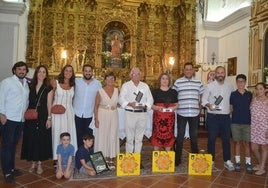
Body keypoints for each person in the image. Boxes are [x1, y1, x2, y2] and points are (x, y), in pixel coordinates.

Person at [0, 61, 29, 183]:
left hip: (20, 119)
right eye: (19, 69)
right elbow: (1, 98)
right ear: (14, 70)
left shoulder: (26, 84)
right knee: (7, 146)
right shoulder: (7, 82)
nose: (21, 71)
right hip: (9, 119)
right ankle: (6, 172)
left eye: (23, 69)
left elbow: (26, 101)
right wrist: (1, 113)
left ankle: (11, 168)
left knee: (13, 146)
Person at [21, 65, 53, 175]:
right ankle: (32, 163)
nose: (41, 74)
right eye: (39, 72)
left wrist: (49, 118)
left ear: (46, 74)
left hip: (43, 115)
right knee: (31, 138)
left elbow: (49, 104)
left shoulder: (48, 87)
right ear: (36, 73)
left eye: (44, 72)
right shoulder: (30, 86)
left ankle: (39, 164)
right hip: (31, 116)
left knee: (41, 139)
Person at [118, 67, 153, 168]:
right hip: (130, 113)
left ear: (140, 75)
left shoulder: (145, 86)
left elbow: (150, 99)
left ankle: (137, 159)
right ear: (130, 75)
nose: (136, 76)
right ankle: (129, 159)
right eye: (134, 74)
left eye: (138, 74)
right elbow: (120, 98)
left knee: (139, 138)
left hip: (142, 114)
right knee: (129, 138)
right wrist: (129, 103)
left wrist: (146, 105)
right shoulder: (126, 85)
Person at [202, 66, 235, 171]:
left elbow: (232, 99)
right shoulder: (209, 86)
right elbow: (203, 100)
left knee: (226, 140)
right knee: (211, 139)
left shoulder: (230, 86)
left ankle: (227, 161)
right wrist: (208, 105)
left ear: (225, 74)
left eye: (222, 72)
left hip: (225, 117)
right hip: (213, 116)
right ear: (215, 74)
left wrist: (231, 106)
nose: (220, 74)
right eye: (218, 72)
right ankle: (211, 160)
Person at [173, 62, 204, 166]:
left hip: (194, 113)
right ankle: (177, 160)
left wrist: (200, 107)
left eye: (190, 69)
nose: (188, 71)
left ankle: (195, 158)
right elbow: (173, 96)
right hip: (182, 113)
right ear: (184, 70)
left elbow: (202, 96)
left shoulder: (199, 82)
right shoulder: (178, 82)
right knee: (180, 136)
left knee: (194, 136)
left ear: (193, 71)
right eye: (186, 69)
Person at [51, 64, 77, 161]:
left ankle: (69, 157)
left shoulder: (73, 85)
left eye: (70, 71)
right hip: (57, 114)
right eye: (66, 70)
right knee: (58, 133)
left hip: (69, 113)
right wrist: (49, 114)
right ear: (63, 71)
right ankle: (57, 158)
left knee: (69, 133)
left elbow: (73, 100)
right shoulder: (55, 83)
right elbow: (49, 98)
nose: (68, 73)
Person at [94, 72, 119, 168]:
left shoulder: (117, 90)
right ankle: (102, 159)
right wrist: (96, 119)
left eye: (112, 78)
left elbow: (120, 102)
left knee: (112, 135)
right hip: (102, 114)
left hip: (113, 114)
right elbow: (96, 106)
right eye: (108, 78)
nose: (110, 81)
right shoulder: (100, 91)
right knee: (102, 136)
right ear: (105, 80)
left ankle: (111, 158)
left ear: (114, 80)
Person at [73, 64, 101, 147]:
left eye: (89, 71)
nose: (88, 73)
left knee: (89, 137)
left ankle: (88, 155)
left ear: (92, 72)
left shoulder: (98, 84)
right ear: (83, 72)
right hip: (77, 113)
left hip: (89, 114)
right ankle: (79, 155)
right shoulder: (76, 82)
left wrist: (96, 116)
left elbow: (99, 100)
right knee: (78, 136)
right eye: (86, 71)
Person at [230, 74, 253, 172]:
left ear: (245, 82)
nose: (240, 83)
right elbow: (230, 108)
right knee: (237, 143)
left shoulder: (250, 94)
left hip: (247, 122)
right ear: (236, 83)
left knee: (247, 144)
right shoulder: (233, 94)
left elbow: (252, 108)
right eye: (238, 81)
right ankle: (238, 162)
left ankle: (248, 163)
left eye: (242, 81)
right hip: (235, 122)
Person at [151, 73, 178, 151]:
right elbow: (150, 105)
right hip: (158, 119)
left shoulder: (173, 92)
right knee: (156, 138)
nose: (165, 80)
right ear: (160, 80)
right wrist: (157, 107)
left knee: (169, 137)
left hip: (169, 120)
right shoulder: (155, 92)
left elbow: (177, 104)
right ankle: (156, 156)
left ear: (169, 81)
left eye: (167, 79)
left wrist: (174, 107)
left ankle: (168, 156)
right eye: (163, 78)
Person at [250, 82, 268, 176]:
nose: (259, 91)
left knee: (264, 147)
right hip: (254, 127)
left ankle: (262, 168)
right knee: (254, 148)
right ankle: (261, 163)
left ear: (265, 90)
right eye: (257, 89)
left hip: (265, 127)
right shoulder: (254, 99)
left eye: (261, 89)